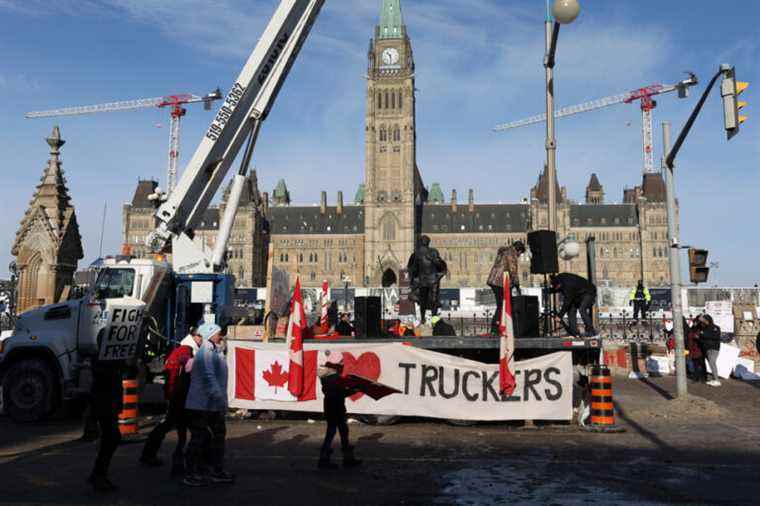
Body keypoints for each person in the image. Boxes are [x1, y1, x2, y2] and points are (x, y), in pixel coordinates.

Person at [140, 327, 202, 475]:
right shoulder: (185, 351)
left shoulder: (185, 350)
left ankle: (155, 455)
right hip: (180, 397)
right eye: (200, 336)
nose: (202, 340)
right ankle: (183, 461)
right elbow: (175, 374)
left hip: (179, 396)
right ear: (194, 336)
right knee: (185, 429)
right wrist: (172, 393)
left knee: (176, 428)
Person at [183, 323, 234, 486]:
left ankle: (212, 469)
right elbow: (209, 377)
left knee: (214, 437)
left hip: (210, 403)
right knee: (200, 438)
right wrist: (220, 400)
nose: (222, 336)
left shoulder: (213, 350)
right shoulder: (207, 352)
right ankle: (193, 472)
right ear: (210, 334)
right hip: (202, 404)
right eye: (219, 333)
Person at [317, 352, 362, 470]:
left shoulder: (326, 378)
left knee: (338, 432)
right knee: (336, 433)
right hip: (336, 409)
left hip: (330, 408)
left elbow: (338, 393)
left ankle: (330, 459)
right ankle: (328, 460)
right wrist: (355, 390)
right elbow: (341, 394)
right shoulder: (336, 379)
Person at [87, 357, 124, 492]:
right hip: (104, 404)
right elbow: (105, 375)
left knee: (110, 438)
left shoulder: (113, 358)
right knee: (112, 438)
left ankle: (98, 474)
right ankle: (98, 475)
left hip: (109, 403)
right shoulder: (99, 358)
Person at [486, 240, 525, 336]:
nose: (519, 255)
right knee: (501, 306)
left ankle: (498, 327)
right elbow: (513, 271)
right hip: (499, 282)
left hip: (494, 281)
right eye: (520, 253)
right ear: (518, 250)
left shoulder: (504, 252)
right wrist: (517, 285)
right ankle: (496, 329)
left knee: (501, 305)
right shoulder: (511, 254)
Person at [407, 235, 447, 324]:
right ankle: (430, 319)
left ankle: (424, 318)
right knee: (431, 299)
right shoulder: (430, 252)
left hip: (426, 279)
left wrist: (412, 279)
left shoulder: (419, 253)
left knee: (424, 300)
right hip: (431, 279)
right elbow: (439, 264)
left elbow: (414, 269)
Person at [550, 273, 598, 337]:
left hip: (589, 292)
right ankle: (574, 332)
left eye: (557, 287)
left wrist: (560, 315)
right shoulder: (559, 279)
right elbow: (560, 289)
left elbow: (567, 302)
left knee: (582, 309)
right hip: (578, 294)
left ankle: (591, 331)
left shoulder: (567, 285)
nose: (557, 289)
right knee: (571, 310)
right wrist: (550, 290)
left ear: (559, 284)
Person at [697, 314, 722, 387]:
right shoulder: (704, 328)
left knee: (712, 363)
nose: (702, 323)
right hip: (707, 349)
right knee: (711, 363)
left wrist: (703, 334)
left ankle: (717, 380)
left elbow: (715, 336)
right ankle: (714, 379)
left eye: (704, 321)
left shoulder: (715, 327)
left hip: (713, 348)